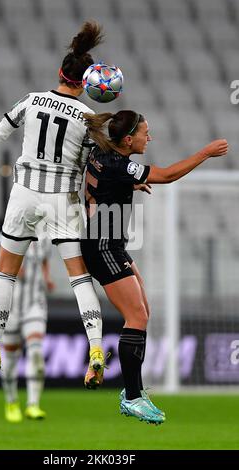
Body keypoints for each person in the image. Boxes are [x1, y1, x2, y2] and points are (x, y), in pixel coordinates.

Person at [0, 21, 105, 388]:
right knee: (79, 277)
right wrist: (93, 199)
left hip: (25, 194)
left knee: (5, 273)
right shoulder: (87, 119)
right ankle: (96, 350)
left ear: (59, 73)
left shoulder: (32, 100)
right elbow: (91, 168)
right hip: (63, 199)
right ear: (85, 84)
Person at [80, 110, 228, 424]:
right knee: (137, 316)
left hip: (109, 243)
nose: (151, 138)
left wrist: (127, 188)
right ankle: (132, 396)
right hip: (102, 247)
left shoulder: (101, 154)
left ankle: (133, 392)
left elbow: (102, 183)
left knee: (143, 310)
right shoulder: (121, 164)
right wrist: (205, 152)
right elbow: (168, 175)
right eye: (146, 133)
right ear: (129, 139)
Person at [0, 231, 54, 422]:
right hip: (11, 307)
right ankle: (12, 401)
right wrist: (11, 270)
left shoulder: (45, 240)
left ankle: (33, 405)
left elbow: (44, 262)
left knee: (36, 352)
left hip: (35, 304)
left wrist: (46, 279)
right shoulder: (3, 238)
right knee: (10, 356)